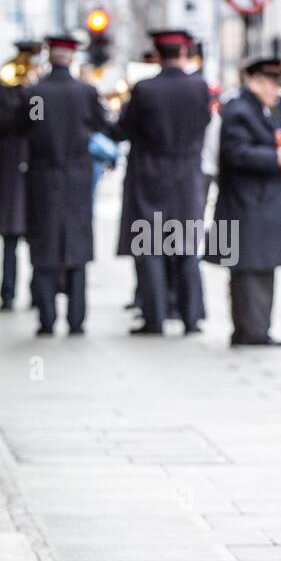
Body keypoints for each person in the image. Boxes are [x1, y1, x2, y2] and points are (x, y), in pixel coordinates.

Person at [7, 34, 107, 336]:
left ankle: (47, 318)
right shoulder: (86, 93)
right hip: (77, 177)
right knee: (77, 247)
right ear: (73, 58)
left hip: (43, 177)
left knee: (44, 245)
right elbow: (100, 125)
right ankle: (77, 319)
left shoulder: (36, 93)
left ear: (50, 57)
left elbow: (20, 126)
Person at [114, 29, 212, 336]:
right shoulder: (200, 87)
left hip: (150, 174)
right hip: (186, 176)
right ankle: (191, 317)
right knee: (185, 246)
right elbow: (204, 122)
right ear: (183, 53)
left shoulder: (145, 89)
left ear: (157, 55)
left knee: (151, 246)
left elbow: (124, 129)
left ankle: (154, 318)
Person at [207, 56, 281, 347]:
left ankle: (256, 329)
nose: (276, 91)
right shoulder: (240, 110)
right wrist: (275, 158)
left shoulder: (262, 110)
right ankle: (250, 331)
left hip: (258, 204)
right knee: (248, 272)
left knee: (261, 269)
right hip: (246, 205)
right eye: (272, 83)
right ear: (255, 81)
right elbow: (235, 153)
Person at [0, 42, 40, 312]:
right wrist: (20, 99)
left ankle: (38, 292)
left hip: (36, 167)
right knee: (10, 237)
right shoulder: (0, 88)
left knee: (37, 236)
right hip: (11, 166)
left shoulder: (39, 91)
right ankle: (7, 293)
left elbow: (39, 122)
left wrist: (32, 94)